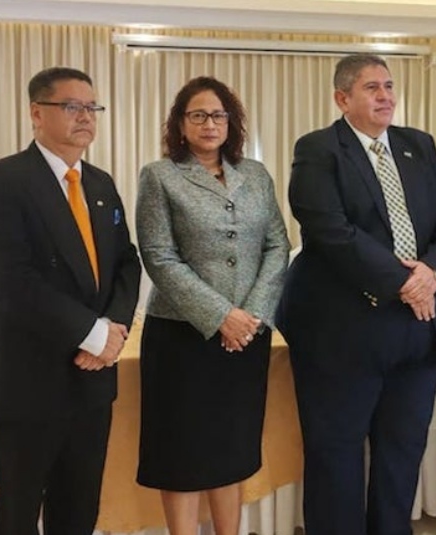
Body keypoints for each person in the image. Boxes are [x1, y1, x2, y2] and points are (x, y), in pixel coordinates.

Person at [276, 53, 436, 535]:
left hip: (417, 328)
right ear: (342, 99)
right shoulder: (319, 149)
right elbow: (329, 229)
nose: (385, 96)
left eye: (389, 86)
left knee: (402, 450)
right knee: (336, 456)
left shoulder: (418, 144)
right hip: (342, 329)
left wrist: (432, 273)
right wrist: (405, 282)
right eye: (371, 88)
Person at [0, 66, 141, 535]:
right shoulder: (2, 179)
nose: (85, 116)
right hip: (28, 381)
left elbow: (126, 263)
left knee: (79, 512)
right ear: (36, 113)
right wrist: (92, 333)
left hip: (92, 379)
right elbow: (10, 279)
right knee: (19, 514)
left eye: (91, 107)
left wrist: (114, 329)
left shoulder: (100, 184)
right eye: (71, 106)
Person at [134, 76, 290, 535]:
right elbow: (159, 256)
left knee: (232, 447)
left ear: (231, 122)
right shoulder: (160, 176)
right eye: (198, 115)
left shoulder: (255, 175)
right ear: (180, 124)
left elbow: (277, 245)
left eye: (218, 115)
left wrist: (251, 315)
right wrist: (221, 315)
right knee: (181, 453)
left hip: (247, 335)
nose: (209, 124)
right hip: (182, 335)